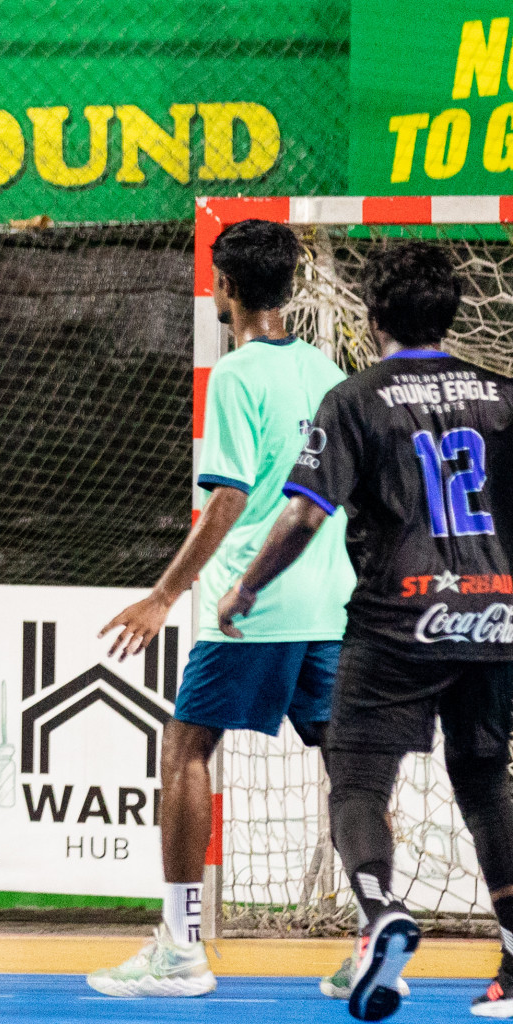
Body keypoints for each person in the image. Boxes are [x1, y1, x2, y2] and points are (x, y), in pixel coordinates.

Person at [217, 243, 513, 1022]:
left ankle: (380, 910)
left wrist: (246, 586)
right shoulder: (503, 394)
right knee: (485, 783)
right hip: (494, 615)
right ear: (451, 313)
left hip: (397, 618)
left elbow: (307, 511)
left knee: (355, 778)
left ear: (373, 317)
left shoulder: (356, 397)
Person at [88, 218, 355, 998]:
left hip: (257, 604)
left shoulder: (237, 375)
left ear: (223, 287)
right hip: (333, 599)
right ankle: (376, 935)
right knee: (351, 771)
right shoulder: (328, 371)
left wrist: (163, 595)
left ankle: (181, 949)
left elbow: (230, 501)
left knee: (186, 748)